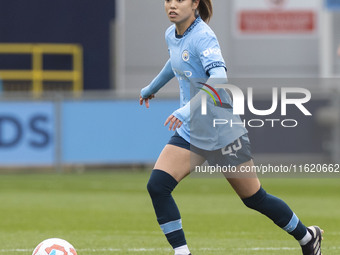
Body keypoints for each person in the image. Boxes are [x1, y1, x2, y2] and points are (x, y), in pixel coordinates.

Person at [139, 0, 323, 254]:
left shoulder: (203, 36)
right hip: (192, 132)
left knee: (254, 198)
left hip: (221, 132)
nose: (172, 5)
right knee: (158, 186)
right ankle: (182, 252)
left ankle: (307, 237)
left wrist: (184, 110)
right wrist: (152, 88)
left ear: (194, 4)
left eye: (179, 0)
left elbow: (219, 77)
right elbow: (175, 61)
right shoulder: (171, 33)